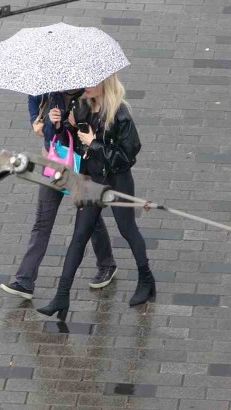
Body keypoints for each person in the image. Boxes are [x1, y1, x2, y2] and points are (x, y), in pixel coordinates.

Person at [37, 74, 154, 320]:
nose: (85, 87)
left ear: (104, 84)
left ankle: (146, 279)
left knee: (127, 229)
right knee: (79, 235)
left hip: (117, 179)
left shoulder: (119, 113)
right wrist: (60, 125)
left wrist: (94, 144)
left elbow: (128, 156)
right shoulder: (81, 105)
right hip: (91, 179)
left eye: (91, 82)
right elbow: (75, 143)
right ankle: (62, 295)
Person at [0, 89, 117, 300]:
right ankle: (24, 280)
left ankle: (106, 263)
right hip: (55, 161)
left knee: (89, 219)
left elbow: (98, 135)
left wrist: (75, 123)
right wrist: (50, 124)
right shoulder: (43, 91)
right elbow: (42, 130)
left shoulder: (91, 93)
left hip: (81, 165)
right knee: (43, 221)